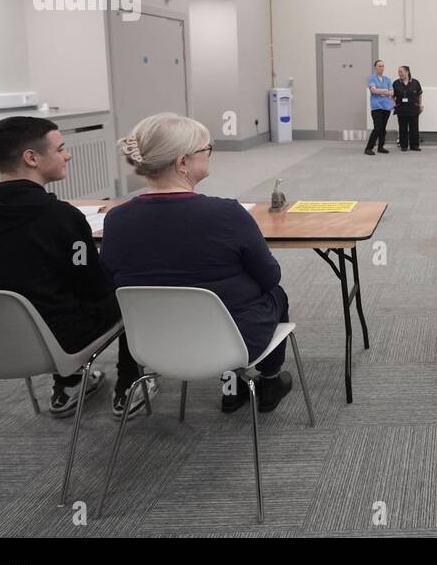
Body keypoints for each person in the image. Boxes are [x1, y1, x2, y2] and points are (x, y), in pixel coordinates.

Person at [0, 116, 152, 418]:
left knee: (41, 290)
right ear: (31, 158)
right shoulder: (60, 217)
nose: (68, 155)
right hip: (48, 342)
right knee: (129, 289)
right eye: (61, 148)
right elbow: (93, 287)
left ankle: (71, 383)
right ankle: (128, 385)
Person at [100, 113, 294, 414]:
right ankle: (267, 380)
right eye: (207, 150)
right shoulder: (227, 214)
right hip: (232, 341)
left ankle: (233, 387)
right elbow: (270, 276)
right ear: (182, 163)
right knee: (276, 294)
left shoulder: (116, 219)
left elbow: (110, 280)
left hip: (153, 341)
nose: (210, 156)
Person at [365, 59, 394, 155]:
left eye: (383, 66)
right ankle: (369, 148)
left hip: (386, 107)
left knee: (383, 128)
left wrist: (381, 91)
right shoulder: (371, 78)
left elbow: (392, 92)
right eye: (379, 66)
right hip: (376, 107)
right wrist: (385, 91)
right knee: (377, 127)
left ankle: (381, 147)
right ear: (375, 67)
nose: (381, 68)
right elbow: (373, 91)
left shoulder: (387, 79)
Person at [393, 65, 423, 151]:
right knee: (402, 128)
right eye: (399, 72)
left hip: (413, 108)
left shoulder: (415, 82)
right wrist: (394, 105)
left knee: (414, 127)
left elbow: (419, 95)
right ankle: (404, 146)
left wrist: (420, 105)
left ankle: (414, 146)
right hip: (401, 109)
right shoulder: (396, 83)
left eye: (401, 71)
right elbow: (392, 96)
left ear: (407, 72)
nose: (399, 73)